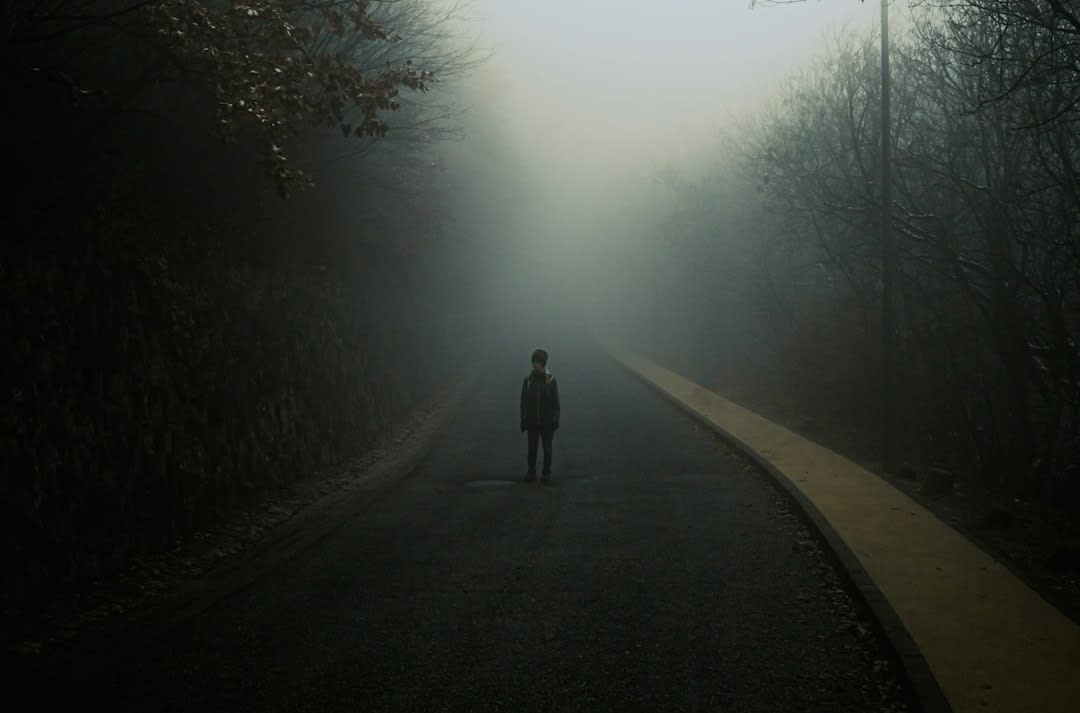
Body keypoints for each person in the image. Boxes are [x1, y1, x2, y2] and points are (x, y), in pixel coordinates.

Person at [520, 348, 560, 483]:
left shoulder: (550, 380)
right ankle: (531, 472)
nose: (534, 365)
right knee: (532, 449)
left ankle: (546, 473)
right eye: (533, 362)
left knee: (547, 449)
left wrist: (555, 419)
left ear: (542, 363)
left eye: (536, 362)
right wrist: (524, 418)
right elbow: (523, 401)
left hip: (547, 422)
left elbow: (556, 402)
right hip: (532, 421)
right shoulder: (528, 380)